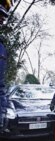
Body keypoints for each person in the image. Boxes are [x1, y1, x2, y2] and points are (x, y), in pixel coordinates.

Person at [0, 0, 14, 131]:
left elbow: (1, 86)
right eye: (0, 15)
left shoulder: (2, 48)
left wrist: (3, 113)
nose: (3, 20)